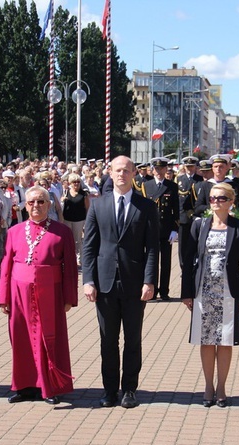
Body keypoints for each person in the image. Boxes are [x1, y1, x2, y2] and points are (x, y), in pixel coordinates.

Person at [82, 155, 159, 409]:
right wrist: (88, 280)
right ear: (110, 172)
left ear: (134, 173)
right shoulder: (98, 205)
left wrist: (149, 281)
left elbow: (152, 249)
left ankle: (129, 389)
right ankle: (109, 390)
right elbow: (89, 247)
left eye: (126, 170)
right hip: (104, 284)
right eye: (117, 170)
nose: (121, 175)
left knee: (132, 339)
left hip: (134, 284)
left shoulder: (146, 207)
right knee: (108, 340)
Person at [0, 186, 78, 405]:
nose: (36, 206)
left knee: (47, 340)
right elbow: (6, 266)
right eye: (32, 202)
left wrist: (69, 297)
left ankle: (48, 386)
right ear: (25, 205)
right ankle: (25, 387)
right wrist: (3, 297)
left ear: (49, 205)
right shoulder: (14, 231)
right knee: (21, 338)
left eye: (41, 202)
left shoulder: (62, 232)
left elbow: (69, 268)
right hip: (19, 294)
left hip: (50, 292)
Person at [181, 182, 239, 408]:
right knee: (207, 340)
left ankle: (222, 387)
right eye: (212, 198)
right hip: (205, 290)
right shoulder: (199, 226)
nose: (216, 202)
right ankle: (208, 386)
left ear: (231, 202)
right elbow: (188, 261)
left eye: (221, 198)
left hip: (229, 292)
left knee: (225, 339)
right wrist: (187, 293)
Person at [140, 157, 179, 301]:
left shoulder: (172, 186)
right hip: (150, 229)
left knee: (166, 262)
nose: (159, 172)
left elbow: (176, 209)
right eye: (156, 169)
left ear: (165, 170)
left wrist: (175, 229)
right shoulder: (146, 186)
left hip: (166, 229)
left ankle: (164, 291)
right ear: (152, 170)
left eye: (162, 169)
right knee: (152, 261)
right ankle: (153, 290)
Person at [176, 156, 204, 266]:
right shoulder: (179, 179)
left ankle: (195, 264)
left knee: (196, 242)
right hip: (183, 217)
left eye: (191, 166)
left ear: (195, 167)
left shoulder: (200, 180)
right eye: (187, 166)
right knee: (182, 244)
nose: (189, 169)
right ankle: (183, 265)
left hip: (196, 216)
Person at [61, 173, 90, 265]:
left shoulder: (84, 194)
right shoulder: (66, 192)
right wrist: (62, 200)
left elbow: (87, 208)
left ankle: (78, 258)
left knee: (77, 240)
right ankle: (69, 256)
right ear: (70, 183)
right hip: (67, 219)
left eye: (78, 182)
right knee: (68, 239)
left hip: (79, 219)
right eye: (74, 182)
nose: (76, 184)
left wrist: (87, 221)